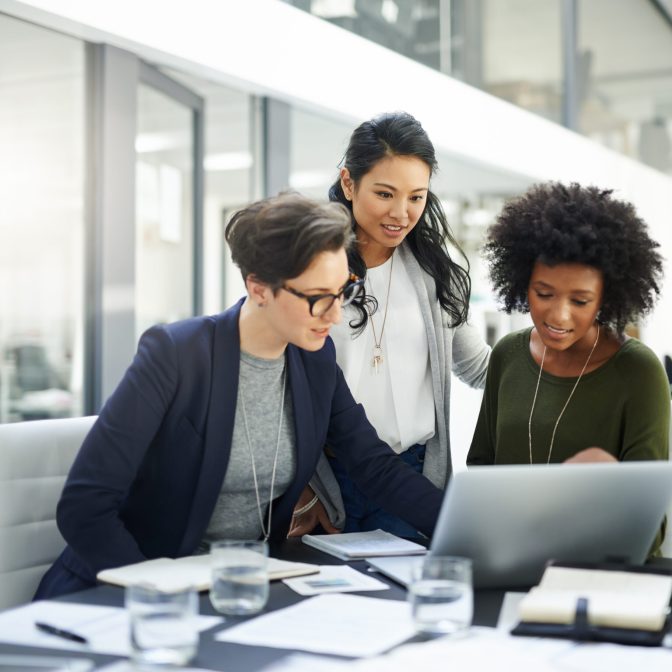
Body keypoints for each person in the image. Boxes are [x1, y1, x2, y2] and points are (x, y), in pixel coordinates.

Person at [34, 193, 445, 599]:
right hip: (129, 592)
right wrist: (159, 596)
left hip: (239, 589)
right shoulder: (176, 355)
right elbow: (85, 508)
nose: (336, 315)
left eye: (343, 293)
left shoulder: (313, 361)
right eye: (319, 298)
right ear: (260, 287)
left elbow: (372, 464)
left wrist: (459, 524)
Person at [289, 112, 490, 538]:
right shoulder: (310, 268)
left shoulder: (436, 272)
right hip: (328, 481)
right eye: (385, 193)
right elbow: (280, 385)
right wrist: (304, 487)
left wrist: (569, 355)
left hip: (414, 477)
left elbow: (478, 367)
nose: (401, 213)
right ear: (348, 183)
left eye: (416, 197)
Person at [467, 182, 669, 476]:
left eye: (580, 301)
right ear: (523, 284)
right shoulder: (507, 354)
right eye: (544, 294)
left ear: (606, 297)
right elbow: (481, 466)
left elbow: (646, 506)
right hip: (506, 524)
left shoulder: (639, 372)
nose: (559, 316)